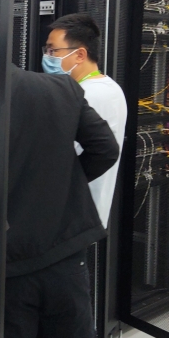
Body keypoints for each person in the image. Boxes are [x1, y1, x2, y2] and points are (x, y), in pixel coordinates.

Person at [0, 13, 119, 338]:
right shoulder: (61, 89)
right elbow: (106, 150)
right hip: (65, 252)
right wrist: (62, 183)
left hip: (9, 262)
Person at [43, 13, 128, 228]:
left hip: (69, 215)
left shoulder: (88, 95)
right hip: (85, 214)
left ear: (80, 55)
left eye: (53, 51)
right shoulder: (110, 88)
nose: (47, 57)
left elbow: (55, 155)